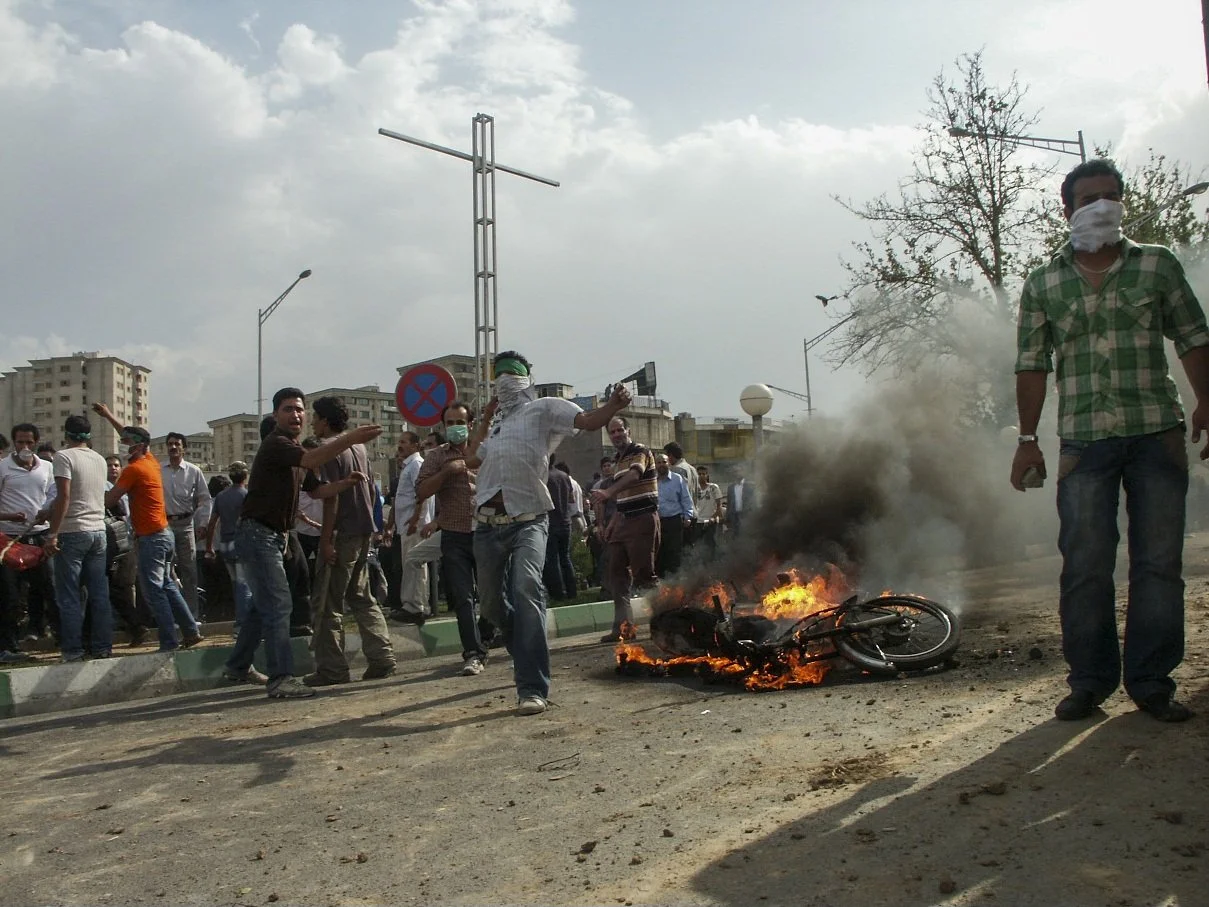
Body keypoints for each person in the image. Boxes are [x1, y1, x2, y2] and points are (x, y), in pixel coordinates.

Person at [1012, 158, 1209, 723]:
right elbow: (1030, 365)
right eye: (1090, 197)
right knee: (1085, 567)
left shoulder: (1157, 266)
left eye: (1112, 196)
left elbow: (1194, 337)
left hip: (1156, 433)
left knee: (1157, 565)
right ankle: (1090, 682)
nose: (1103, 206)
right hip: (1083, 442)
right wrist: (1027, 439)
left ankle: (1151, 682)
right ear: (1067, 208)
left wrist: (1207, 401)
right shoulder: (1043, 282)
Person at [469, 351, 632, 715]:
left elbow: (588, 420)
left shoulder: (543, 408)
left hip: (529, 519)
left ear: (527, 377)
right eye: (499, 374)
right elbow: (470, 459)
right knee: (493, 606)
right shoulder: (496, 424)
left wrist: (612, 405)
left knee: (527, 588)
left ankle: (531, 686)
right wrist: (481, 421)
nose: (506, 379)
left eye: (513, 372)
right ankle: (522, 644)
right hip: (486, 525)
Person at [222, 389, 378, 698]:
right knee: (279, 604)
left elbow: (317, 491)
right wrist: (350, 438)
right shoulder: (277, 445)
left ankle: (238, 666)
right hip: (258, 534)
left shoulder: (293, 450)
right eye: (288, 409)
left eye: (299, 409)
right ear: (275, 415)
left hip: (274, 536)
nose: (295, 414)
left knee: (261, 606)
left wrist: (345, 484)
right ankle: (281, 679)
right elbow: (312, 458)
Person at [305, 396, 395, 686]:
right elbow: (370, 490)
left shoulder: (330, 449)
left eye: (315, 417)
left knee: (327, 602)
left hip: (342, 531)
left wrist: (327, 539)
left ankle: (331, 668)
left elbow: (331, 497)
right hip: (363, 530)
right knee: (361, 596)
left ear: (325, 420)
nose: (312, 422)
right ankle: (382, 657)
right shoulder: (358, 446)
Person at [98, 414, 203, 653]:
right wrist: (107, 416)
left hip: (151, 537)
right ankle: (190, 631)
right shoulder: (151, 461)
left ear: (139, 446)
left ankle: (169, 641)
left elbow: (111, 499)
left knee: (154, 590)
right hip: (164, 534)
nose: (125, 445)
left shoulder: (133, 469)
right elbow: (131, 433)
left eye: (128, 443)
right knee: (167, 585)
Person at [415, 400, 489, 676]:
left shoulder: (486, 450)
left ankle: (486, 638)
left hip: (487, 532)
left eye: (460, 422)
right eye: (450, 423)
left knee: (493, 595)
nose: (455, 428)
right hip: (454, 535)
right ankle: (473, 652)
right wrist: (447, 472)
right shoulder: (436, 457)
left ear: (470, 425)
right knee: (462, 597)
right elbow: (421, 491)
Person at [44, 415, 112, 662]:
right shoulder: (99, 459)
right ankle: (103, 646)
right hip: (98, 531)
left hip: (72, 531)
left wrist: (52, 533)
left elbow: (65, 496)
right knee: (99, 594)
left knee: (69, 595)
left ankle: (73, 650)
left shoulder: (63, 457)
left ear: (66, 434)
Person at [592, 416, 658, 643]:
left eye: (620, 430)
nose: (617, 434)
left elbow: (635, 475)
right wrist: (609, 526)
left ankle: (668, 620)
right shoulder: (617, 461)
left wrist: (608, 493)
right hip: (623, 522)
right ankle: (623, 627)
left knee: (644, 575)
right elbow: (622, 500)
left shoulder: (640, 451)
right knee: (616, 575)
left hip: (642, 518)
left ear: (628, 431)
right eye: (612, 432)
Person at [0, 422, 57, 662]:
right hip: (10, 540)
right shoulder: (2, 468)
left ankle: (66, 640)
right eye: (20, 442)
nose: (25, 447)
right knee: (9, 596)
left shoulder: (47, 467)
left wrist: (48, 514)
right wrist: (11, 517)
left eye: (29, 442)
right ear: (14, 443)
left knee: (51, 589)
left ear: (35, 442)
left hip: (40, 536)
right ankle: (8, 648)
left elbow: (55, 494)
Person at [204, 462, 262, 681]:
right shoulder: (246, 495)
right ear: (245, 476)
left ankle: (241, 622)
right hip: (241, 543)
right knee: (243, 585)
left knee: (236, 583)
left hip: (225, 544)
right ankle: (241, 623)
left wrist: (210, 546)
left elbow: (212, 523)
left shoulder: (221, 497)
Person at [160, 431, 211, 622]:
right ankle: (173, 615)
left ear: (184, 448)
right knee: (167, 571)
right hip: (164, 525)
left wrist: (202, 523)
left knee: (189, 571)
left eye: (177, 444)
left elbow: (204, 499)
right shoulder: (159, 470)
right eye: (170, 444)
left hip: (186, 524)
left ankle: (192, 615)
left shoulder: (193, 471)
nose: (173, 447)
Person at [384, 432, 433, 624]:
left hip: (414, 525)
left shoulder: (416, 465)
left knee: (415, 565)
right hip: (406, 524)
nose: (400, 445)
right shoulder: (408, 466)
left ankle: (416, 607)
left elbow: (423, 493)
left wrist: (415, 519)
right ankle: (414, 605)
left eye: (404, 442)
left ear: (415, 445)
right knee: (411, 565)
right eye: (399, 442)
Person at [654, 452, 694, 578]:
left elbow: (686, 499)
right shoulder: (652, 481)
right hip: (658, 522)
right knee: (659, 553)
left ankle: (675, 582)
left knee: (675, 552)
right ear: (655, 465)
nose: (661, 465)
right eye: (659, 462)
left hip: (674, 521)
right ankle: (661, 584)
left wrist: (688, 516)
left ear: (669, 463)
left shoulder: (678, 479)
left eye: (664, 462)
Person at [542, 454, 577, 601]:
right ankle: (572, 591)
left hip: (551, 522)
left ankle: (558, 594)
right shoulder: (564, 476)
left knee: (552, 559)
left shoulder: (544, 477)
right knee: (565, 558)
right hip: (565, 522)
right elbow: (571, 499)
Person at [694, 465, 725, 560]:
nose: (701, 476)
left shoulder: (713, 487)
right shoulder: (694, 489)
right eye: (699, 474)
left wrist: (714, 517)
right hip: (698, 522)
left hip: (711, 522)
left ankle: (712, 567)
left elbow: (719, 505)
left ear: (707, 475)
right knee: (698, 546)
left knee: (711, 545)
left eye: (704, 474)